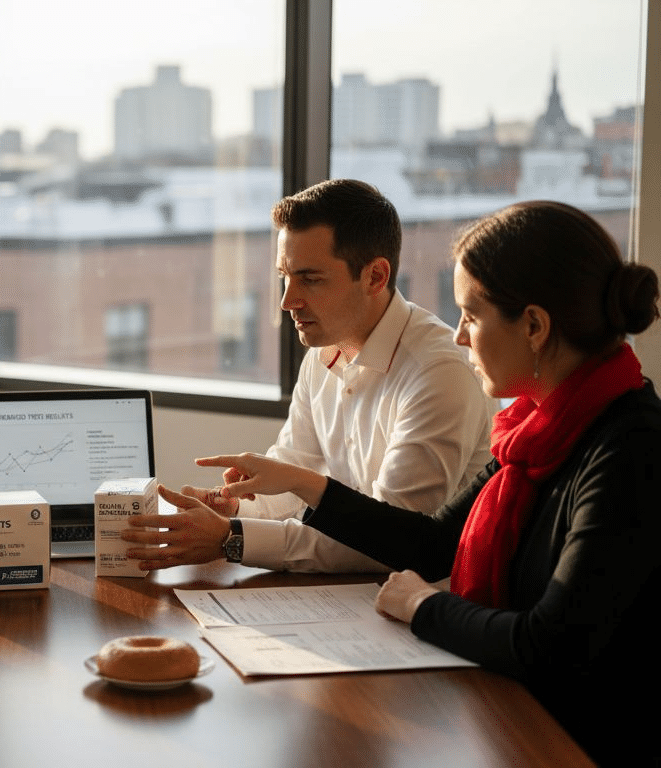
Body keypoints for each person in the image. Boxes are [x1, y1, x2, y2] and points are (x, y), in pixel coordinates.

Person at [146, 201, 659, 766]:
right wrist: (294, 487)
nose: (461, 337)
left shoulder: (628, 451)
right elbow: (427, 542)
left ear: (535, 326)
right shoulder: (533, 436)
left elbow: (547, 645)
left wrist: (421, 606)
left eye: (471, 315)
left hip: (576, 739)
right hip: (521, 707)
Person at [128, 179, 492, 572]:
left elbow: (388, 540)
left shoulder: (438, 373)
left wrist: (230, 538)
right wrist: (234, 506)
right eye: (285, 276)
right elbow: (293, 477)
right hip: (343, 600)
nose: (287, 301)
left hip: (418, 603)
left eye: (311, 279)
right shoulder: (323, 353)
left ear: (375, 277)